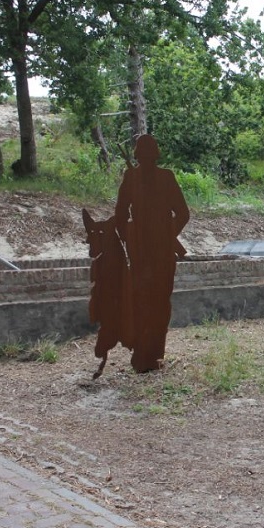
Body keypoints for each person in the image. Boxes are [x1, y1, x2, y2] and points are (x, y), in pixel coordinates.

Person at [113, 134, 190, 372]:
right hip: (151, 252)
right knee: (152, 301)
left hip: (151, 252)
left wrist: (135, 237)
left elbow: (120, 216)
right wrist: (139, 237)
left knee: (148, 301)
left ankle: (149, 354)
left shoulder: (143, 177)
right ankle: (149, 353)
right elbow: (120, 215)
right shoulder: (150, 177)